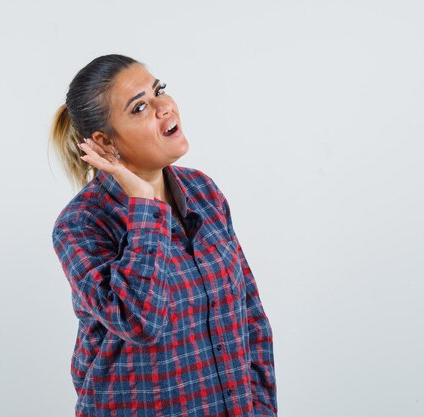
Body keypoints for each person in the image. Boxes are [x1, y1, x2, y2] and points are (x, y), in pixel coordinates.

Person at [49, 54, 277, 417]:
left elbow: (249, 316)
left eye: (159, 91)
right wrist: (144, 202)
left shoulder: (204, 192)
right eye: (139, 107)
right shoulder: (79, 225)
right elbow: (140, 321)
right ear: (105, 144)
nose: (164, 107)